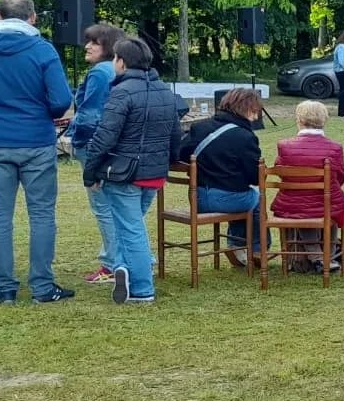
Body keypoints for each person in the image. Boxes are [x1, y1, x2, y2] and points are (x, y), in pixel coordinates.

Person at [0, 0, 75, 303]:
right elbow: (61, 102)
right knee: (42, 215)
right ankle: (43, 287)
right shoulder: (42, 50)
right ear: (32, 17)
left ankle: (3, 287)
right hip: (35, 140)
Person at [80, 38, 181, 304]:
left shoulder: (122, 92)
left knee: (131, 229)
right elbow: (175, 136)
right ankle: (123, 267)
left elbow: (104, 136)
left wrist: (90, 173)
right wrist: (167, 163)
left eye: (114, 58)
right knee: (129, 226)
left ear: (121, 62)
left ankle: (141, 288)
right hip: (154, 174)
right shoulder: (165, 92)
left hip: (124, 174)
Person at [181, 89, 267, 263]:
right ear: (249, 109)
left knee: (244, 196)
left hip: (197, 197)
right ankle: (256, 250)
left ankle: (237, 246)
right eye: (256, 111)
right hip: (226, 199)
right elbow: (255, 177)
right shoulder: (245, 137)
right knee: (256, 198)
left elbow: (182, 155)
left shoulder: (200, 127)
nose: (257, 116)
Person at [71, 23, 125, 284]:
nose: (88, 46)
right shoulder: (117, 69)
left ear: (108, 47)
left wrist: (77, 139)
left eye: (95, 42)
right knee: (116, 206)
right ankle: (125, 260)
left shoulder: (100, 73)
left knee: (103, 207)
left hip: (94, 144)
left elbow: (90, 114)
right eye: (87, 41)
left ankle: (113, 264)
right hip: (114, 146)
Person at [271, 101, 344, 260]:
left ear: (299, 120)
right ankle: (327, 256)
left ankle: (316, 256)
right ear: (324, 120)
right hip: (324, 203)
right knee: (334, 207)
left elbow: (281, 173)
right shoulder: (335, 148)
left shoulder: (284, 146)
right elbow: (340, 177)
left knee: (312, 206)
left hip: (290, 204)